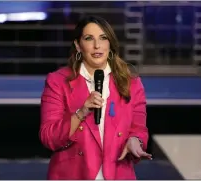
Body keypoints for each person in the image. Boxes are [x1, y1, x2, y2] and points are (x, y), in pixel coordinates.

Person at [39, 15, 152, 180]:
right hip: (73, 174)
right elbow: (48, 137)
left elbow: (139, 129)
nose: (97, 45)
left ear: (110, 44)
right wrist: (81, 112)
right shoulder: (57, 82)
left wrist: (135, 141)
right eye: (89, 38)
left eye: (103, 38)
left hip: (117, 174)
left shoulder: (132, 84)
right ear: (78, 45)